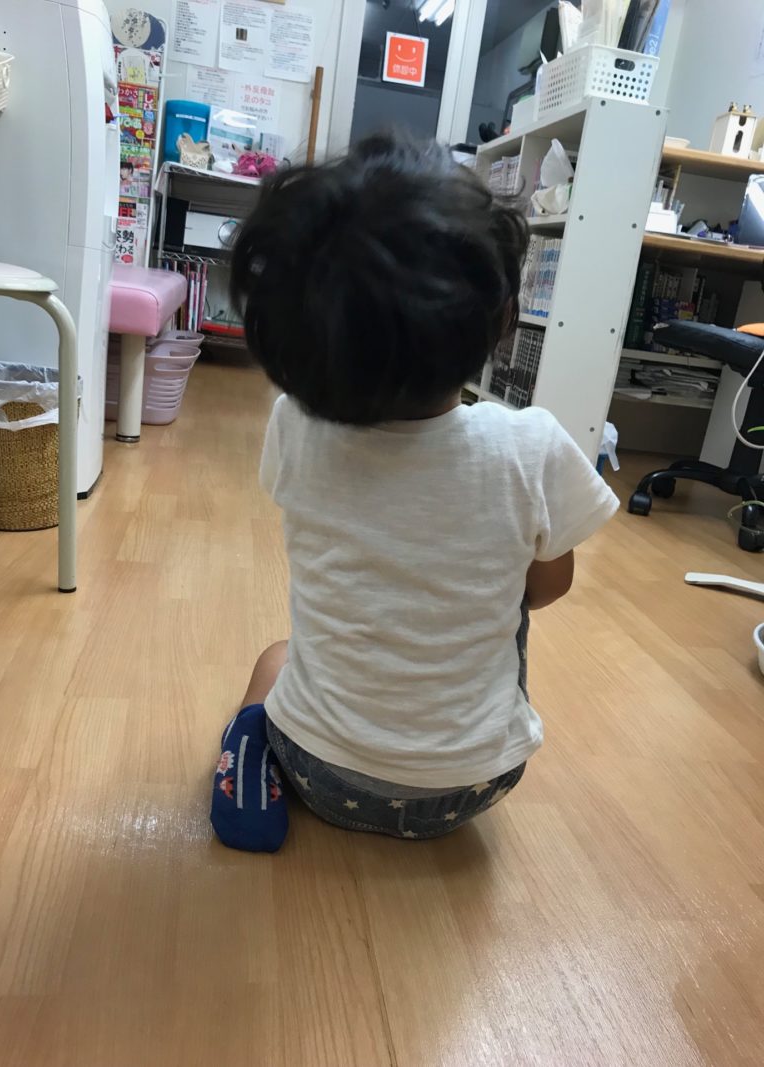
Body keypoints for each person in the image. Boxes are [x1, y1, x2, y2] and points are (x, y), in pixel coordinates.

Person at [210, 133, 618, 852]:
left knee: (278, 654)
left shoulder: (293, 427)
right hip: (475, 784)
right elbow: (549, 587)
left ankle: (247, 754)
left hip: (320, 772)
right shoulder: (531, 447)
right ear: (502, 319)